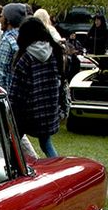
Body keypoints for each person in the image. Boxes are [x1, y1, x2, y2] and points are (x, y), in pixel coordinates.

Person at [9, 17, 66, 159]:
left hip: (27, 112)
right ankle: (55, 168)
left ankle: (15, 172)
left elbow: (17, 92)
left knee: (12, 143)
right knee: (46, 143)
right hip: (48, 110)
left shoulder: (25, 59)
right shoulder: (55, 52)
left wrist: (10, 109)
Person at [0, 2, 29, 92]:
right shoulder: (26, 37)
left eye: (2, 16)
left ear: (8, 20)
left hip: (9, 93)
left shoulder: (7, 41)